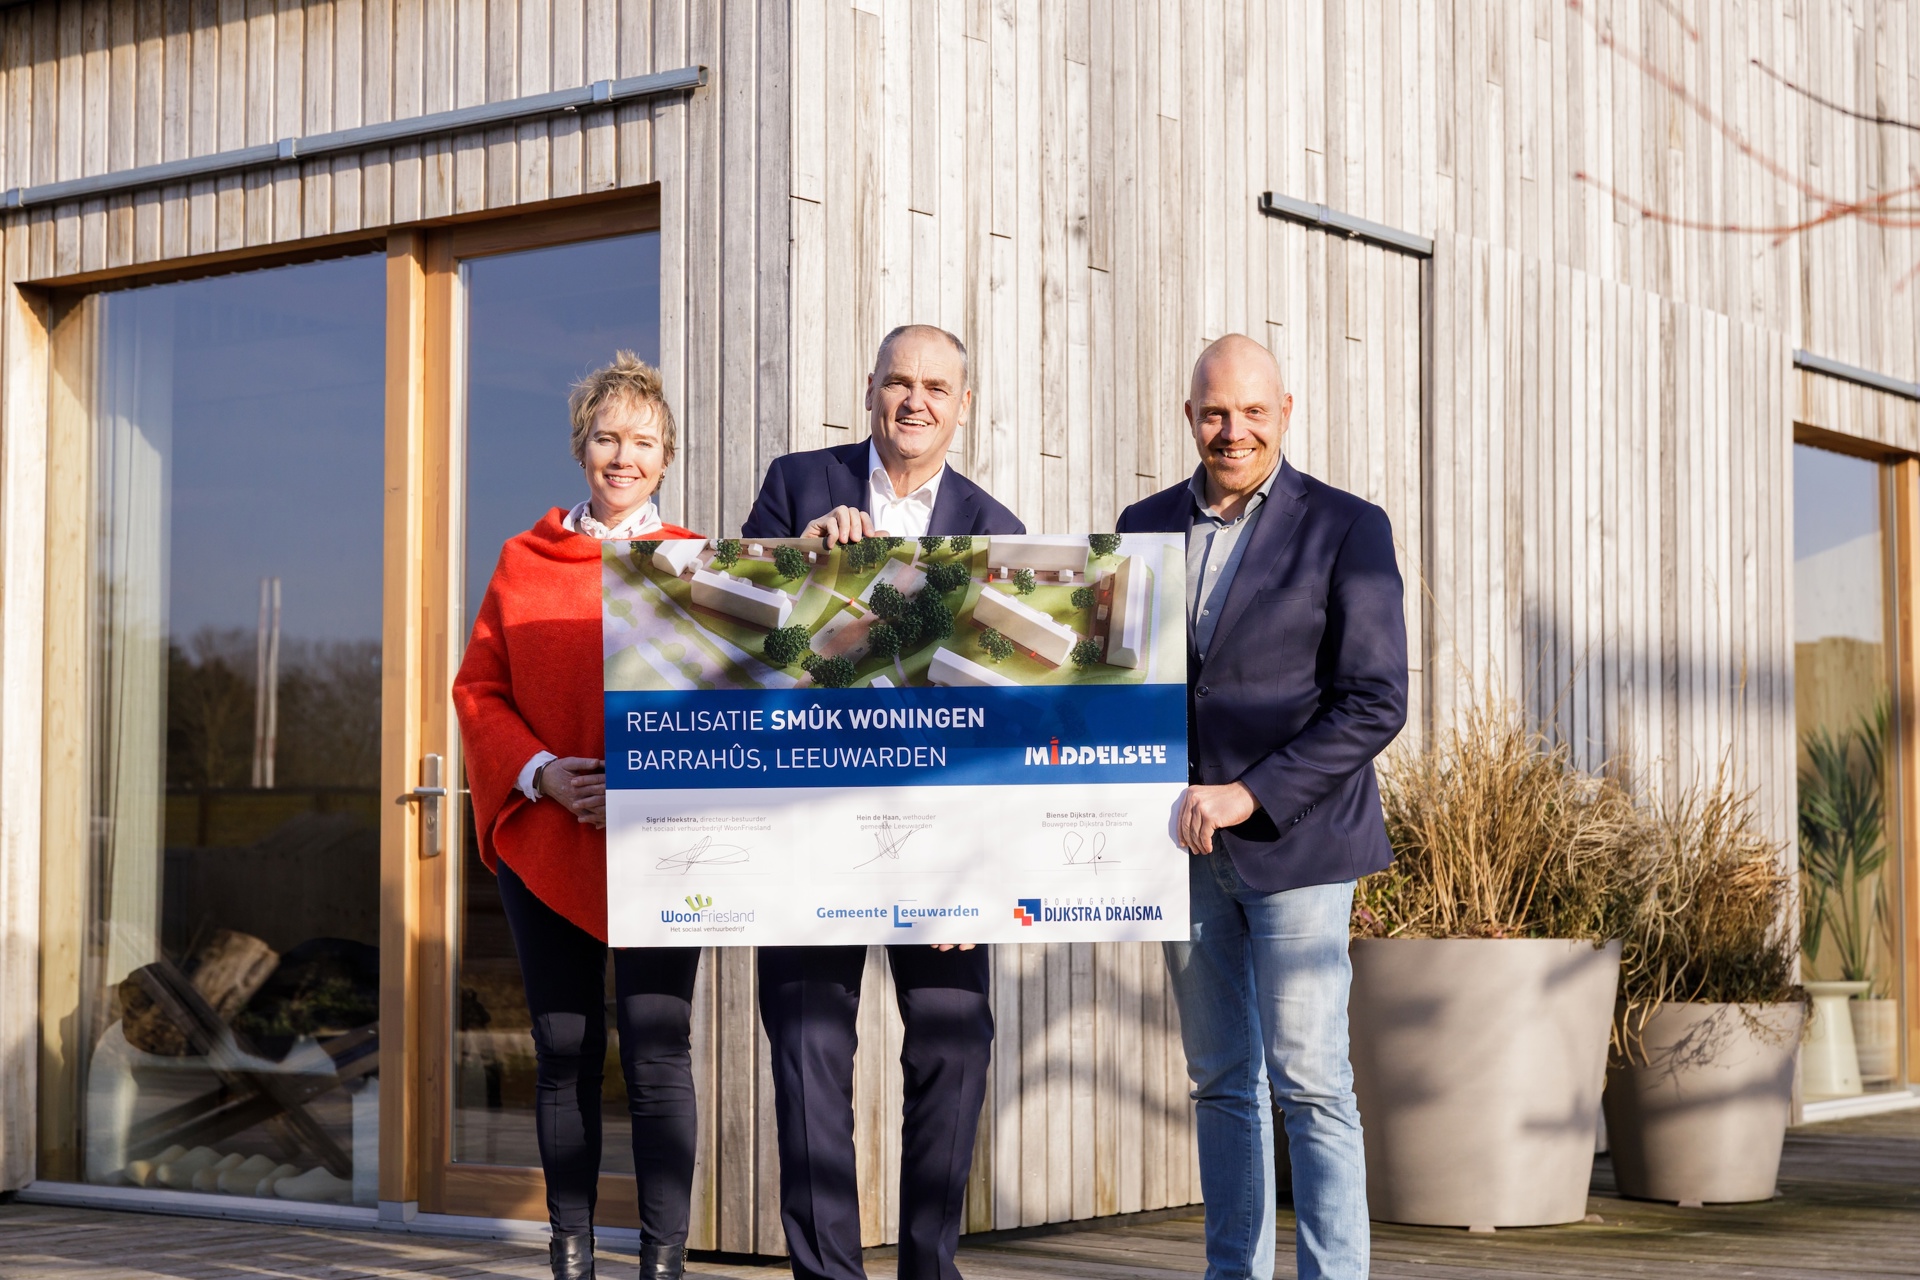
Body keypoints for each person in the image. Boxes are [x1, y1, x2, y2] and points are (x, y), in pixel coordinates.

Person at [1117, 334, 1408, 1280]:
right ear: (1188, 416)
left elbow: (1376, 700)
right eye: (1214, 412)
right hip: (1185, 852)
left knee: (1312, 1082)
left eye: (1251, 411)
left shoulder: (1348, 527)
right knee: (1219, 1082)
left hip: (1300, 845)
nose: (1231, 430)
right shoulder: (1142, 526)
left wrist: (1254, 792)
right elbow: (1117, 683)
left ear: (1286, 412)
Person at [741, 324, 1023, 1280]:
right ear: (869, 389)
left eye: (937, 388)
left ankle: (928, 1269)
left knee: (954, 1047)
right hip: (807, 824)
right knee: (808, 1052)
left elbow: (1004, 723)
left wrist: (984, 877)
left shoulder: (998, 528)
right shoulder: (797, 484)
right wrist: (796, 559)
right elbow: (738, 640)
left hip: (941, 845)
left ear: (963, 406)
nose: (915, 402)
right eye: (899, 382)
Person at [453, 352, 705, 1280]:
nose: (622, 456)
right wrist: (542, 774)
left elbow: (732, 697)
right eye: (606, 438)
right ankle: (570, 1254)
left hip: (665, 846)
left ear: (666, 456)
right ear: (579, 447)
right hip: (549, 835)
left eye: (642, 441)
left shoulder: (699, 567)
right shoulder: (523, 562)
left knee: (657, 1052)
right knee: (562, 1048)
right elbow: (479, 689)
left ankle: (663, 1261)